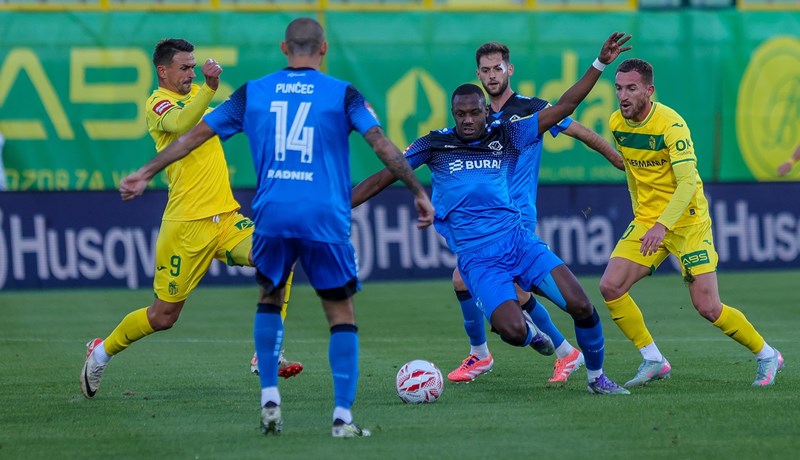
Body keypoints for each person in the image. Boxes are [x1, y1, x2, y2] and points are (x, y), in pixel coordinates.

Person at [117, 18, 434, 437]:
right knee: (340, 313)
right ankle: (342, 418)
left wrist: (144, 172)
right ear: (323, 49)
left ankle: (270, 399)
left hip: (273, 213)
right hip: (322, 214)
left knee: (269, 295)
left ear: (284, 48)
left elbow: (193, 137)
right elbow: (381, 144)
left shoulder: (254, 92)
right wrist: (417, 189)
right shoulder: (343, 93)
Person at [353, 32, 632, 395]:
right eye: (460, 114)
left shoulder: (509, 133)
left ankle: (597, 379)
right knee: (513, 331)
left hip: (519, 241)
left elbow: (565, 107)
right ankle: (528, 337)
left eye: (474, 112)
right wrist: (338, 208)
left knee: (581, 304)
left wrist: (599, 64)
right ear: (453, 114)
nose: (468, 120)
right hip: (479, 258)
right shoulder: (435, 144)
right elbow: (381, 178)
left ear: (487, 111)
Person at [79, 38, 304, 403]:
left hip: (226, 218)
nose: (191, 74)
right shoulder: (158, 103)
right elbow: (182, 124)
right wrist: (211, 88)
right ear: (163, 71)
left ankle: (267, 351)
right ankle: (101, 352)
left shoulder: (199, 95)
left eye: (193, 67)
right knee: (163, 317)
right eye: (184, 68)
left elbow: (239, 116)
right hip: (186, 227)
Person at [445, 42, 627, 384]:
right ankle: (564, 351)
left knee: (464, 278)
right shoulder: (476, 117)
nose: (492, 75)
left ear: (509, 69)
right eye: (485, 70)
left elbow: (579, 130)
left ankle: (483, 354)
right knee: (516, 292)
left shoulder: (531, 109)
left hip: (517, 219)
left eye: (497, 68)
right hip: (488, 223)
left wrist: (616, 158)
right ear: (477, 74)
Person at [599, 58, 784, 387]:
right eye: (618, 88)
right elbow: (632, 174)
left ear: (649, 91)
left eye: (631, 88)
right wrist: (641, 213)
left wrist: (662, 225)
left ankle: (767, 354)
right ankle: (653, 359)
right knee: (610, 287)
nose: (623, 96)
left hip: (688, 221)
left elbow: (687, 184)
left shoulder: (672, 125)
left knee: (708, 307)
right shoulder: (617, 123)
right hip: (648, 220)